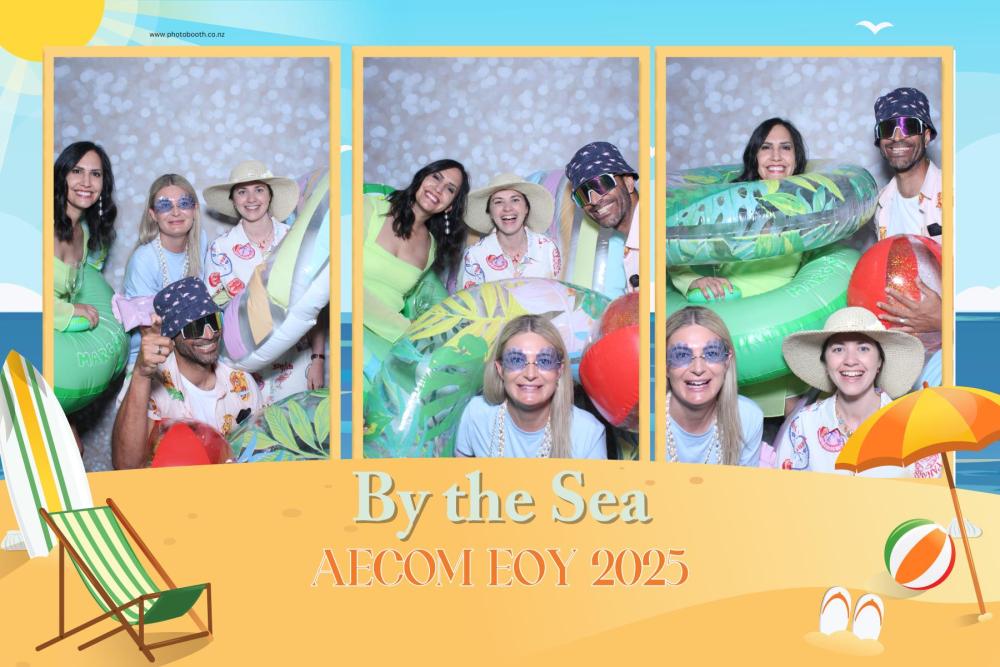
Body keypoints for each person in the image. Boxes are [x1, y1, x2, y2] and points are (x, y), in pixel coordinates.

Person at [202, 159, 327, 397]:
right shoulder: (220, 249)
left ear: (270, 195)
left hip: (296, 361)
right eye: (242, 191)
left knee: (294, 421)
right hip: (243, 370)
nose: (251, 199)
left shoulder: (295, 239)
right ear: (233, 200)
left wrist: (318, 359)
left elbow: (316, 304)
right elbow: (216, 316)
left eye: (259, 189)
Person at [112, 277, 263, 469]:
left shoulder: (241, 384)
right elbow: (126, 467)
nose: (209, 334)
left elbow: (263, 454)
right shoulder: (148, 383)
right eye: (195, 327)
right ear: (172, 336)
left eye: (213, 321)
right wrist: (141, 376)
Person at [776, 306, 940, 477]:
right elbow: (784, 491)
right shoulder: (803, 425)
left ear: (880, 361)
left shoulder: (915, 430)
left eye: (863, 348)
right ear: (825, 362)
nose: (850, 360)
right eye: (838, 349)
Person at [668, 118, 806, 301]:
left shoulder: (811, 202)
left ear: (796, 157)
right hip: (728, 302)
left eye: (785, 147)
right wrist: (692, 280)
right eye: (765, 147)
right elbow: (673, 243)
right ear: (755, 156)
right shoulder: (731, 201)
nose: (776, 156)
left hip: (785, 305)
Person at [363, 159, 470, 382]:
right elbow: (335, 282)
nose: (439, 188)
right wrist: (406, 331)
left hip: (394, 341)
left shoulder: (431, 247)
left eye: (450, 189)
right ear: (421, 178)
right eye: (436, 177)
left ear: (450, 205)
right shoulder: (369, 208)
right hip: (350, 327)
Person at [455, 314, 606, 459]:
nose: (530, 374)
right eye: (516, 360)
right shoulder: (476, 414)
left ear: (559, 370)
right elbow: (460, 474)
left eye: (545, 361)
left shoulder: (589, 433)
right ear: (500, 369)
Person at [870, 87, 943, 349]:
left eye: (908, 125)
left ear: (926, 135)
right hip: (903, 346)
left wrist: (942, 318)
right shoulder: (881, 205)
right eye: (887, 128)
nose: (897, 136)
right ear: (880, 141)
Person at [123, 174, 209, 367]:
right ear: (153, 214)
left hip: (192, 348)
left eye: (184, 203)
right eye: (164, 206)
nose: (176, 212)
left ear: (195, 209)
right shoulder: (144, 260)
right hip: (150, 358)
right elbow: (149, 334)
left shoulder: (201, 242)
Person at [665, 306, 763, 465]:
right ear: (664, 366)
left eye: (711, 353)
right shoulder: (642, 420)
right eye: (681, 355)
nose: (698, 369)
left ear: (727, 360)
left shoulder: (748, 417)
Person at [53, 141, 118, 331]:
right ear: (61, 176)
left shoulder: (85, 233)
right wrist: (69, 310)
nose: (86, 182)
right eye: (77, 171)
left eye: (95, 174)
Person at [565, 141, 640, 294]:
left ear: (628, 182)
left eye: (601, 183)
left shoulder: (664, 226)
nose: (593, 200)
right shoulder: (624, 246)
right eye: (582, 195)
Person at [461, 173, 559, 287]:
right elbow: (471, 298)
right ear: (490, 212)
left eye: (515, 200)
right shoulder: (475, 255)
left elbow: (561, 293)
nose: (507, 208)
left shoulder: (548, 248)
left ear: (526, 208)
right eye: (498, 202)